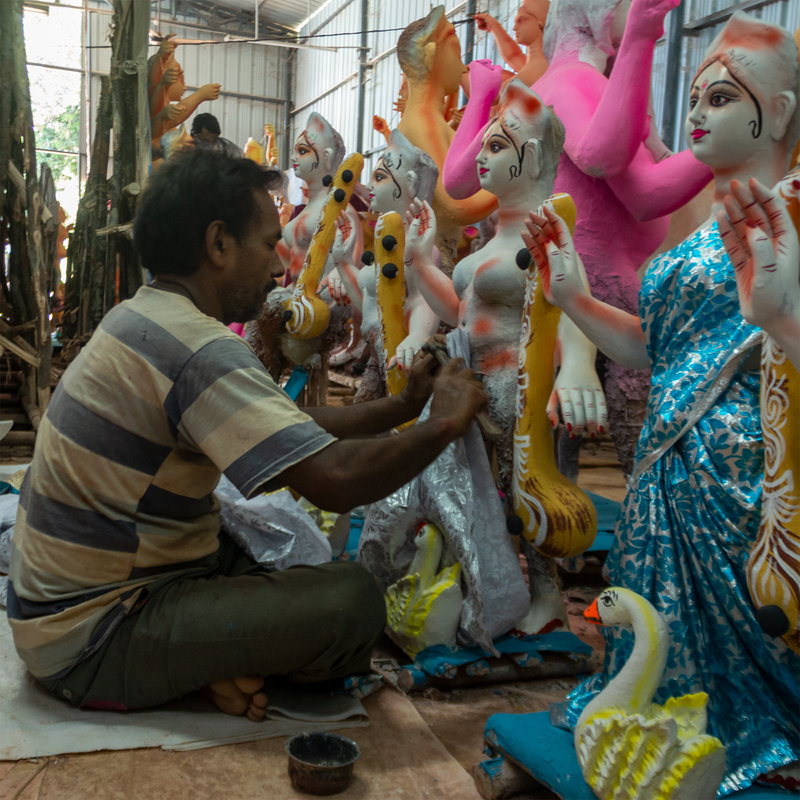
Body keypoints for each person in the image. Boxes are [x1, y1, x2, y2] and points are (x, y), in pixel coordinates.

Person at [6, 150, 488, 722]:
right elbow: (335, 481)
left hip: (73, 608)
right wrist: (444, 423)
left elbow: (286, 426)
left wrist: (402, 406)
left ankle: (212, 666)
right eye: (269, 243)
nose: (281, 262)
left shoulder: (143, 315)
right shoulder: (201, 349)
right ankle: (196, 670)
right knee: (353, 602)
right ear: (217, 244)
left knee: (267, 556)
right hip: (92, 639)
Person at [524, 13, 800, 790]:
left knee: (747, 666)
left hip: (743, 478)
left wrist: (780, 317)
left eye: (721, 96)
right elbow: (655, 346)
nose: (698, 113)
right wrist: (574, 298)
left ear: (777, 113)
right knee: (653, 646)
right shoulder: (697, 229)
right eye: (697, 98)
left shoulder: (794, 220)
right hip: (665, 471)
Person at [444, 0, 712, 477]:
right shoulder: (573, 81)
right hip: (593, 278)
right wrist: (640, 40)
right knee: (631, 422)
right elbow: (607, 164)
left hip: (570, 274)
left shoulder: (543, 89)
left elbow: (457, 181)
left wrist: (485, 94)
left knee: (541, 437)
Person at [404, 80, 604, 635]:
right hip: (471, 388)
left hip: (516, 389)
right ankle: (483, 583)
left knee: (522, 499)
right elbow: (459, 311)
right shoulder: (493, 239)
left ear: (533, 157)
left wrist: (579, 364)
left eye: (496, 147)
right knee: (476, 497)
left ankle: (547, 597)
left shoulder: (546, 235)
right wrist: (422, 263)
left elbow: (574, 306)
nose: (481, 159)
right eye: (484, 145)